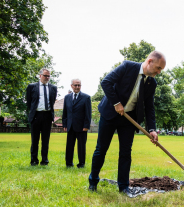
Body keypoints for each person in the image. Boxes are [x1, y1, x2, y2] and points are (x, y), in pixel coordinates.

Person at [88, 51, 166, 196]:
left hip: (129, 119)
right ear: (149, 62)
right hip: (110, 113)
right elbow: (106, 82)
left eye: (161, 69)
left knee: (125, 152)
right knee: (101, 149)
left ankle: (123, 187)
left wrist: (152, 129)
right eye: (158, 68)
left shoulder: (151, 82)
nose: (159, 72)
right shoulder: (127, 66)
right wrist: (116, 103)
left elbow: (149, 107)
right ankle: (93, 182)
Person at [26, 68, 57, 166]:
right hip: (36, 115)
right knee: (34, 140)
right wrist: (34, 111)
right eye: (45, 75)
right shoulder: (32, 86)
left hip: (47, 116)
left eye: (48, 76)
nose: (47, 78)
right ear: (40, 75)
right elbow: (29, 102)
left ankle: (45, 161)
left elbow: (52, 101)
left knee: (45, 140)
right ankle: (34, 160)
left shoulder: (53, 88)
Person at [62, 79, 92, 168]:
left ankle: (81, 163)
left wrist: (86, 125)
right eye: (75, 85)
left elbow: (88, 113)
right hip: (70, 126)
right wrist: (64, 124)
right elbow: (65, 112)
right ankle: (69, 163)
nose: (77, 87)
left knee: (81, 146)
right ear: (71, 86)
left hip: (82, 126)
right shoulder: (67, 97)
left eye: (79, 85)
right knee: (69, 146)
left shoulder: (86, 97)